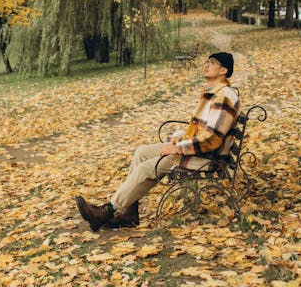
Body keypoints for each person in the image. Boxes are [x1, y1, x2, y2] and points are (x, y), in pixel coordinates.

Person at [76, 52, 241, 231]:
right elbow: (199, 128)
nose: (206, 64)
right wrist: (178, 136)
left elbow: (212, 139)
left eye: (213, 62)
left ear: (223, 70)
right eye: (207, 61)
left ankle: (107, 211)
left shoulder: (223, 97)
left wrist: (177, 148)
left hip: (207, 157)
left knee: (145, 168)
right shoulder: (213, 93)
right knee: (142, 152)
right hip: (195, 148)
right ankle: (130, 213)